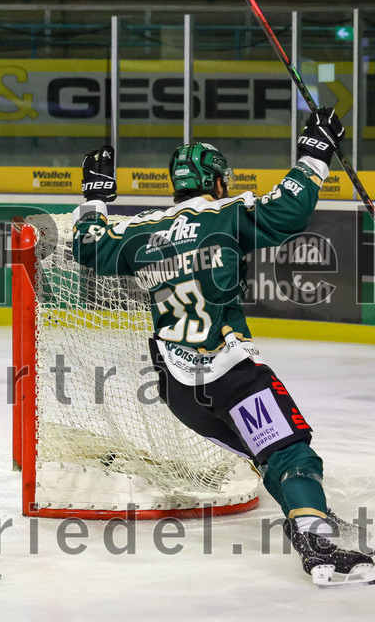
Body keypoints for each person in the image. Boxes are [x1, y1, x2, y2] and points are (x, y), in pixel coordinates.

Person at [72, 109, 375, 587]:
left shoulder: (140, 232)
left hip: (178, 390)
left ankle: (307, 519)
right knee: (291, 454)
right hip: (230, 373)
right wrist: (315, 153)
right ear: (215, 181)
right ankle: (316, 543)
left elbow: (88, 246)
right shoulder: (226, 213)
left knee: (265, 455)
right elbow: (286, 211)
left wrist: (95, 196)